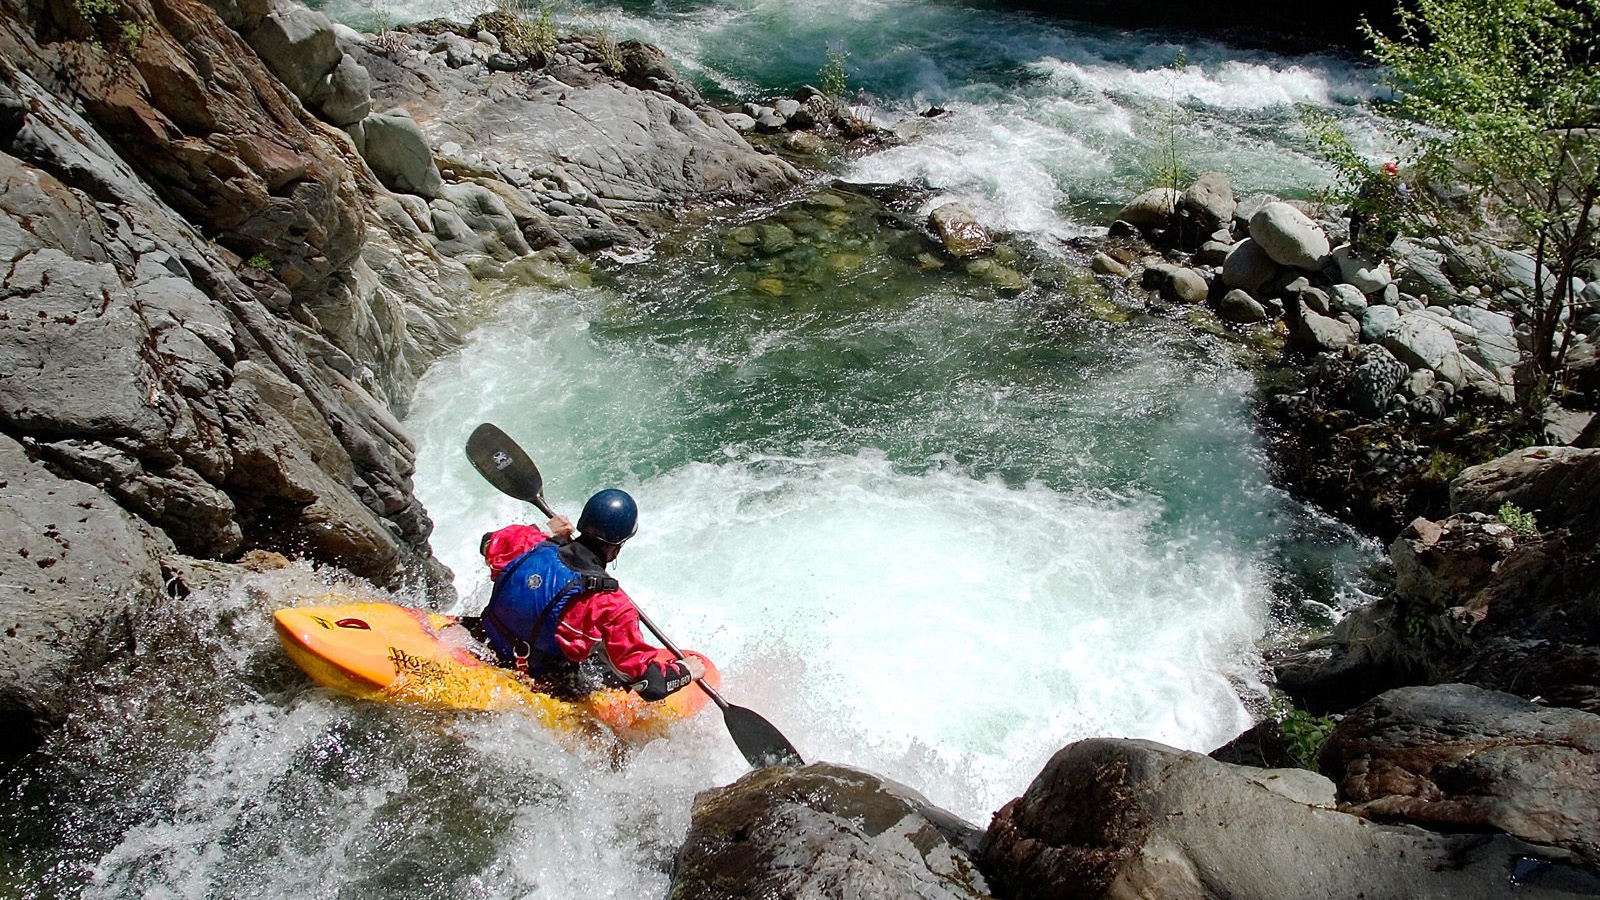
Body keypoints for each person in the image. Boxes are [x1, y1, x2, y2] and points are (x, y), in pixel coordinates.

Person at [471, 489, 705, 701]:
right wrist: (686, 671)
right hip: (533, 679)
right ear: (616, 548)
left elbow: (488, 542)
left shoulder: (527, 543)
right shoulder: (611, 604)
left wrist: (551, 536)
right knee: (606, 664)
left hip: (482, 643)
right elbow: (649, 685)